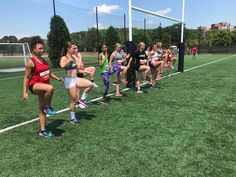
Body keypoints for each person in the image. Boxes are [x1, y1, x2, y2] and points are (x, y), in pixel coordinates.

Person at [23, 36, 64, 138]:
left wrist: (58, 78)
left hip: (44, 87)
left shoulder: (44, 60)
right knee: (50, 88)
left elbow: (48, 73)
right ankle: (48, 107)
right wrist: (24, 92)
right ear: (34, 49)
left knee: (41, 110)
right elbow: (27, 77)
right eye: (40, 48)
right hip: (34, 85)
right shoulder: (30, 62)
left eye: (42, 48)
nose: (42, 50)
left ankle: (42, 130)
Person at [60, 42, 94, 124]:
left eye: (76, 48)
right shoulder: (64, 57)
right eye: (73, 48)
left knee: (90, 84)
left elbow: (77, 70)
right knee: (73, 100)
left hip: (76, 78)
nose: (75, 50)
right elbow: (62, 65)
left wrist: (87, 72)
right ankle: (72, 118)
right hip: (69, 80)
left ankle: (82, 99)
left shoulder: (73, 58)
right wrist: (69, 60)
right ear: (68, 49)